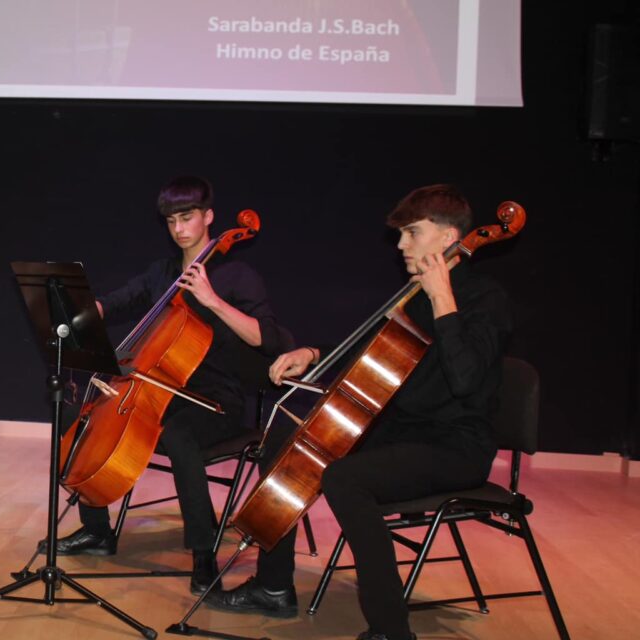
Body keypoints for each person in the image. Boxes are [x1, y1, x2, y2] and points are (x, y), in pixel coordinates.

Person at [208, 184, 513, 640]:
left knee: (345, 479)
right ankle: (273, 587)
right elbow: (373, 354)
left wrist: (442, 299)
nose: (401, 245)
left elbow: (466, 378)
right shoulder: (413, 295)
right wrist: (312, 353)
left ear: (449, 237)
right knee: (289, 434)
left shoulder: (485, 298)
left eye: (412, 233)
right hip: (401, 432)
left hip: (455, 444)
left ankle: (391, 629)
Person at [40, 176, 293, 594]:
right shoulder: (162, 273)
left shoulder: (236, 275)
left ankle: (202, 554)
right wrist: (87, 311)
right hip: (160, 392)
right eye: (172, 220)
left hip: (216, 401)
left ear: (209, 217)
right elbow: (122, 298)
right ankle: (97, 531)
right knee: (75, 416)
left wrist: (212, 301)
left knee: (178, 436)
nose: (180, 229)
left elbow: (265, 338)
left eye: (188, 217)